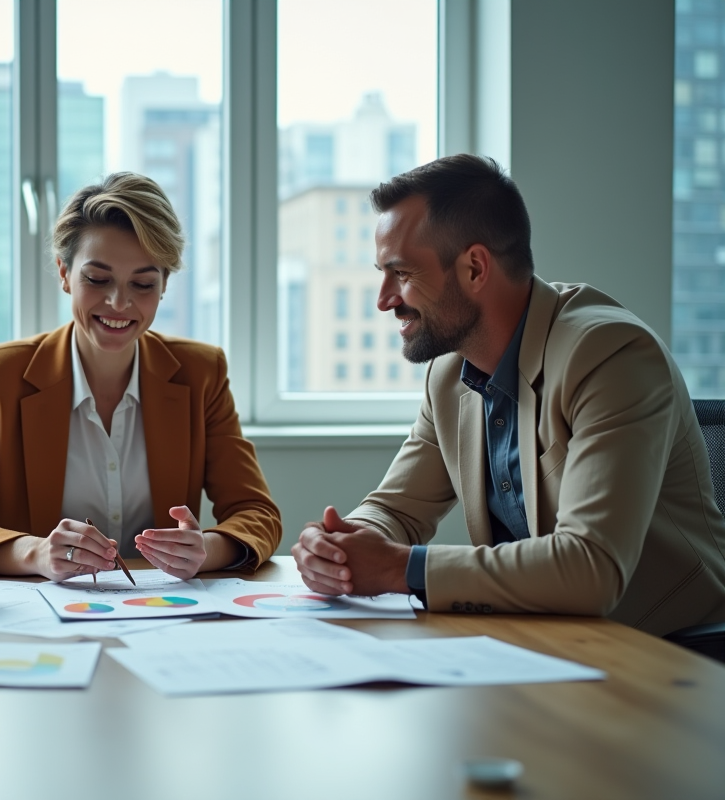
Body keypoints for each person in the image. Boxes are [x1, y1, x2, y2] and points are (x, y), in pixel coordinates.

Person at [292, 154, 725, 635]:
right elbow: (395, 509)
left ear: (475, 268)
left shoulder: (610, 355)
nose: (383, 299)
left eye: (402, 274)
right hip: (547, 644)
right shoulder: (449, 375)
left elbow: (591, 568)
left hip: (671, 653)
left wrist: (398, 568)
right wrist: (342, 547)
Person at [0, 172, 281, 581]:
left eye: (143, 283)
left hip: (165, 613)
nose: (119, 302)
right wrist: (35, 553)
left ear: (164, 285)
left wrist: (207, 549)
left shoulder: (200, 373)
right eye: (97, 279)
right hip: (41, 615)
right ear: (64, 273)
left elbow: (257, 514)